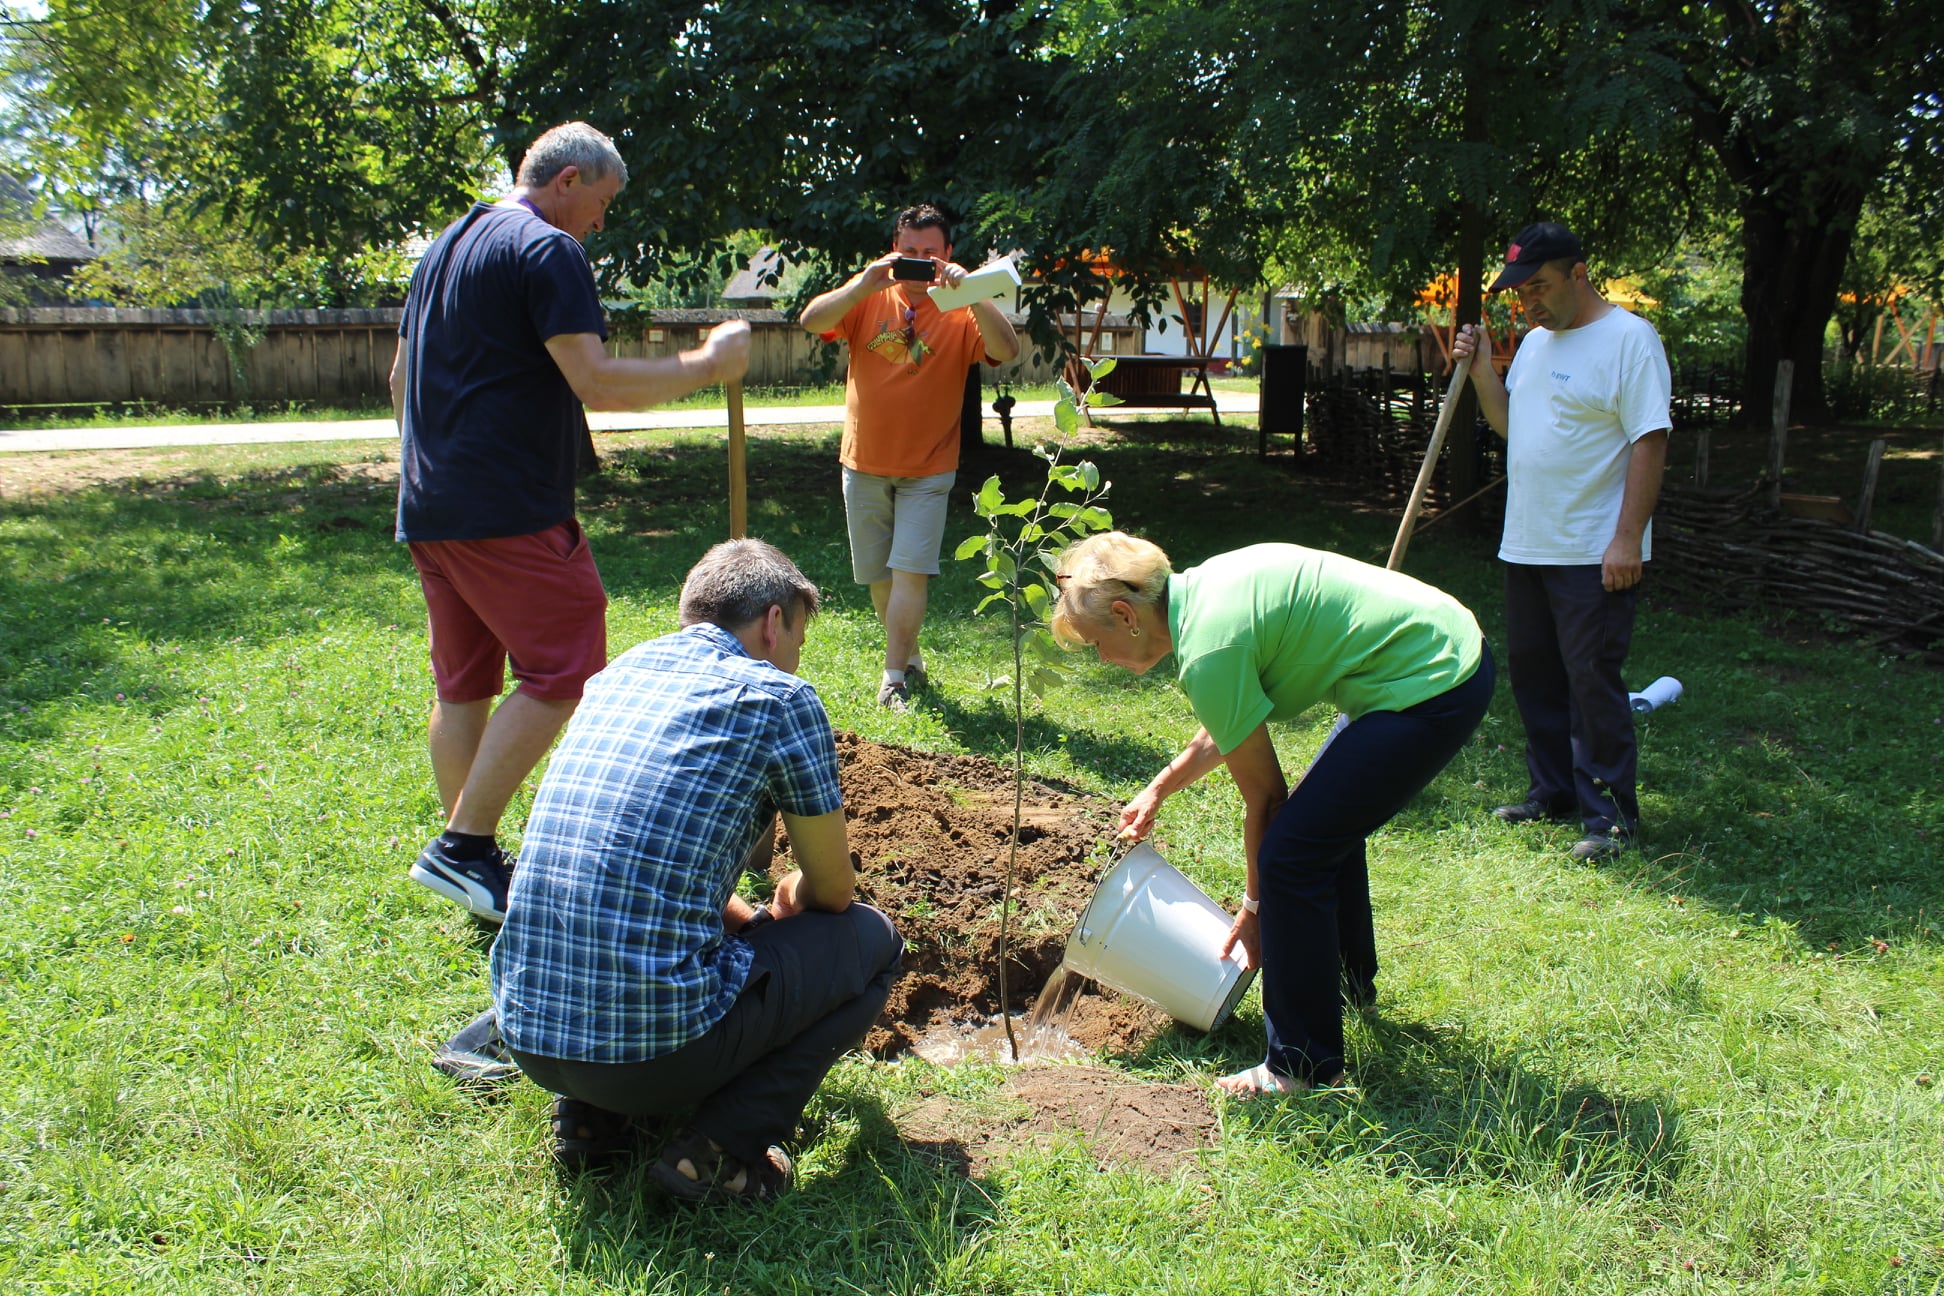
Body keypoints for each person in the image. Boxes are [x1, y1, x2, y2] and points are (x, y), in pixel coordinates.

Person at [391, 121, 752, 923]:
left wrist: (430, 467)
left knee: (465, 686)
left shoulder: (450, 245)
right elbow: (595, 382)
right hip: (506, 507)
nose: (600, 221)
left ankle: (471, 860)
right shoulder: (547, 250)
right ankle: (464, 849)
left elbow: (399, 373)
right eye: (602, 202)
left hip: (432, 504)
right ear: (569, 180)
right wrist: (709, 365)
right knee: (566, 668)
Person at [489, 539, 903, 1202]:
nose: (796, 657)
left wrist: (746, 924)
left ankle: (593, 1122)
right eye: (798, 636)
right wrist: (787, 895)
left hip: (531, 1034)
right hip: (649, 1056)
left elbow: (641, 864)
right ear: (774, 622)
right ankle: (721, 1155)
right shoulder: (779, 699)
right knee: (873, 941)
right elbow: (831, 891)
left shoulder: (618, 676)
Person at [1050, 534, 1493, 1096]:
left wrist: (1256, 906)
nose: (1103, 658)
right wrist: (1159, 789)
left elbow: (1266, 799)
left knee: (1292, 853)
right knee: (1321, 823)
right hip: (1437, 646)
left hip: (1431, 681)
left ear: (1125, 614)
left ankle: (1301, 1066)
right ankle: (1341, 986)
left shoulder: (1210, 648)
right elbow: (1231, 715)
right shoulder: (1206, 593)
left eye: (1097, 643)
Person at [1452, 221, 1671, 863]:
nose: (1530, 303)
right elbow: (1511, 424)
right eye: (1520, 294)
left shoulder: (1630, 340)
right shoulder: (1536, 345)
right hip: (1528, 544)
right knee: (1536, 677)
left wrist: (1626, 539)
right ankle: (1552, 791)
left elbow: (1649, 441)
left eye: (1540, 287)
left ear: (1579, 273)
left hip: (1591, 550)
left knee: (1591, 681)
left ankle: (1610, 816)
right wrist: (1481, 363)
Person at [798, 204, 1021, 710]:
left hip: (930, 468)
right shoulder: (869, 294)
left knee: (909, 571)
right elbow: (813, 320)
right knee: (879, 577)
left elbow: (1005, 350)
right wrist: (864, 283)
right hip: (864, 462)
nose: (921, 262)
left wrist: (974, 292)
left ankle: (893, 677)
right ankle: (910, 652)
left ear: (948, 255)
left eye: (931, 253)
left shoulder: (963, 306)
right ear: (894, 251)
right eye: (910, 253)